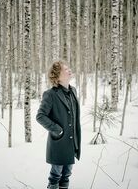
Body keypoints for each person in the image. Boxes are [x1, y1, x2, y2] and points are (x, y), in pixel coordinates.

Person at [36, 60, 81, 189]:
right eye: (65, 69)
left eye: (68, 68)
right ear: (57, 75)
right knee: (56, 174)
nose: (69, 70)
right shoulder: (50, 94)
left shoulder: (73, 91)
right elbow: (40, 116)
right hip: (59, 141)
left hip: (72, 141)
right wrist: (57, 129)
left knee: (67, 174)